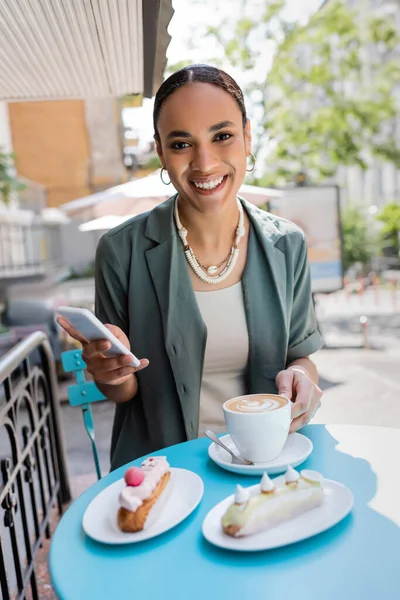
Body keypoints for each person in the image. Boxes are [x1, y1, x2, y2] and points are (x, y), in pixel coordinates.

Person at [58, 64, 324, 471]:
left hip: (269, 465)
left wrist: (305, 378)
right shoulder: (120, 250)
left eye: (222, 136)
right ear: (161, 152)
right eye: (182, 144)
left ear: (247, 137)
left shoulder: (287, 244)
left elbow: (300, 356)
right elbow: (124, 391)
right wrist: (109, 373)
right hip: (163, 474)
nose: (204, 162)